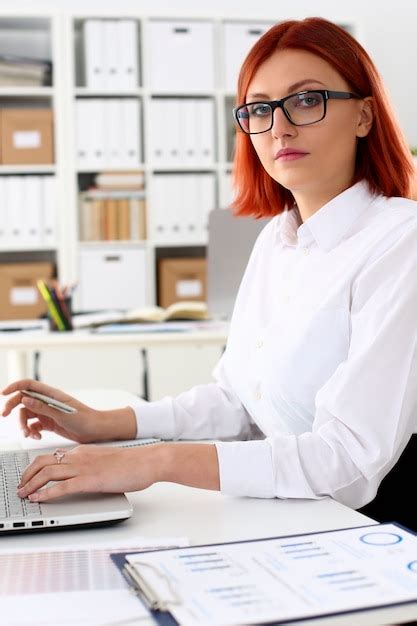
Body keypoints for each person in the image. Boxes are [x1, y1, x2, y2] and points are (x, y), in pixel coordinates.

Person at [2, 17, 417, 529]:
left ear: (364, 116)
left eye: (307, 100)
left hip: (373, 532)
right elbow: (237, 401)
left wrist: (153, 461)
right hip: (290, 514)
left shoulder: (401, 242)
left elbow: (348, 463)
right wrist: (105, 425)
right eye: (260, 108)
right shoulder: (278, 240)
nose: (279, 126)